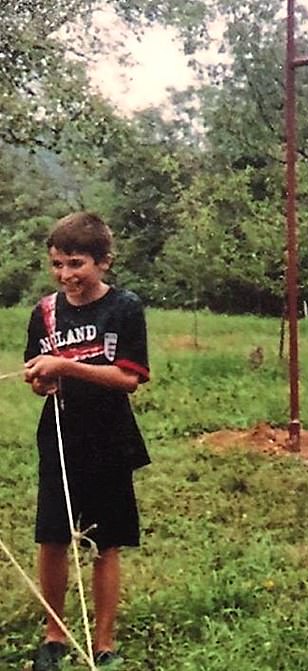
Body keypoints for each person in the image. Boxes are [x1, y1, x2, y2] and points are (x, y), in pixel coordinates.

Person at [23, 212, 150, 669]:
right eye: (57, 264)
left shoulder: (125, 308)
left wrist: (65, 367)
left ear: (104, 263)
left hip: (110, 436)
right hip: (59, 434)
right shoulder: (45, 312)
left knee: (105, 541)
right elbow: (37, 375)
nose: (66, 275)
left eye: (76, 263)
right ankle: (54, 634)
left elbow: (128, 379)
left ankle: (105, 641)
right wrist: (42, 380)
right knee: (53, 536)